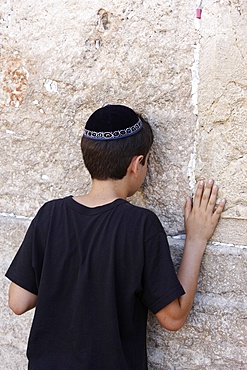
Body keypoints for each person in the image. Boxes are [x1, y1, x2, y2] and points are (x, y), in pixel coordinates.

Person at [6, 104, 226, 370]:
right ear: (137, 164)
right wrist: (196, 239)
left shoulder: (50, 214)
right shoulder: (140, 225)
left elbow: (18, 302)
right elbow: (174, 317)